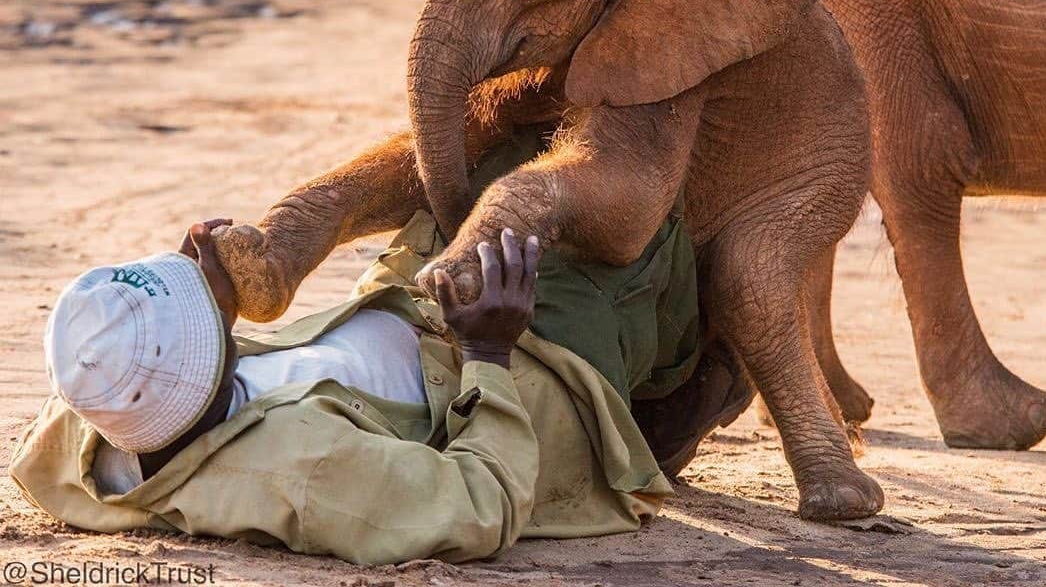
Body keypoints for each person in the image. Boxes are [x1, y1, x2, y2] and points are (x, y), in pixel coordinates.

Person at [12, 198, 748, 565]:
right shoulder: (308, 473)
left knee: (469, 167)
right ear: (194, 377)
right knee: (649, 237)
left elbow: (129, 350)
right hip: (510, 361)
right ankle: (666, 402)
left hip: (405, 304)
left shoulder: (96, 408)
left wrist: (191, 296)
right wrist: (490, 350)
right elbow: (479, 507)